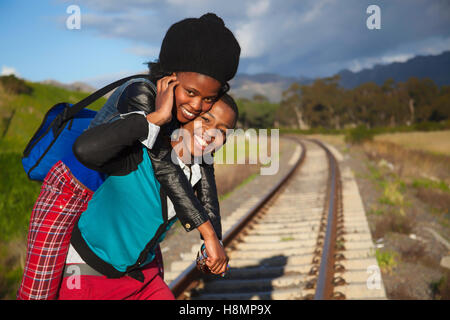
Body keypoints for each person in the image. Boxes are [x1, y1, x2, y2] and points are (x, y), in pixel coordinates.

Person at [17, 12, 240, 300]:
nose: (197, 106)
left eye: (208, 99)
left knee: (145, 260)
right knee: (39, 291)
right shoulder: (143, 94)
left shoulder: (183, 116)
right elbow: (164, 167)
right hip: (72, 190)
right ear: (170, 76)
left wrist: (213, 237)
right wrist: (208, 234)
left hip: (113, 199)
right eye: (191, 92)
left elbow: (203, 173)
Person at [58, 94, 238, 300]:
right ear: (186, 115)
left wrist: (211, 251)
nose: (212, 133)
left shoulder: (196, 171)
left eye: (223, 131)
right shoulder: (138, 154)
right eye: (206, 119)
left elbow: (207, 203)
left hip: (142, 277)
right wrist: (152, 119)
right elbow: (86, 151)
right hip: (89, 271)